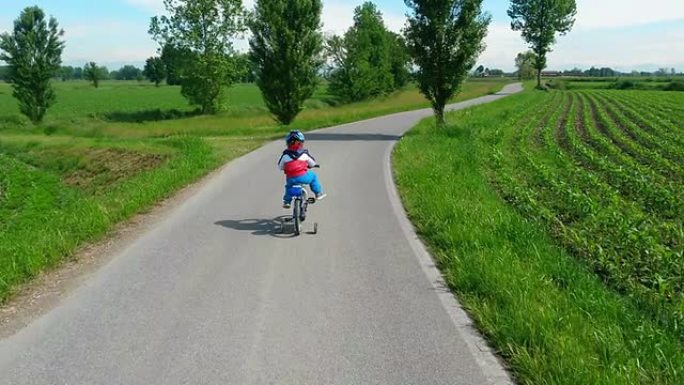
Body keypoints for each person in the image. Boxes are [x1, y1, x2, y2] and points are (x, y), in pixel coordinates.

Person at [277, 130, 326, 209]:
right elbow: (312, 163)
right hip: (303, 177)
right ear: (301, 143)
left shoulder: (285, 155)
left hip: (291, 178)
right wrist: (313, 165)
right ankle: (318, 193)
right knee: (313, 176)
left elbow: (280, 166)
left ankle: (287, 202)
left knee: (288, 187)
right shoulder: (304, 154)